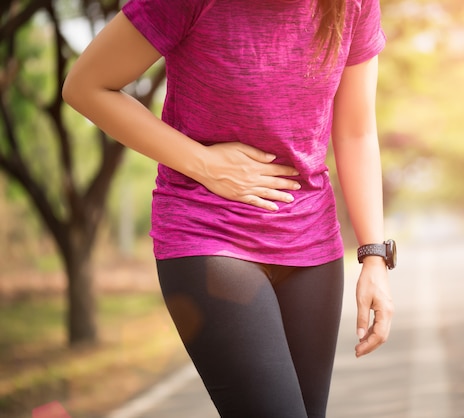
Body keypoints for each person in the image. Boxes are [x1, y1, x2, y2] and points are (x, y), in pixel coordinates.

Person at [63, 0, 395, 416]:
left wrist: (375, 258)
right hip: (207, 231)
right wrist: (206, 164)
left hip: (311, 240)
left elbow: (357, 132)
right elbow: (86, 86)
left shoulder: (353, 4)